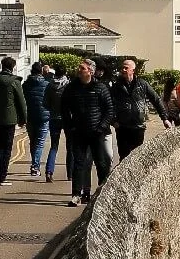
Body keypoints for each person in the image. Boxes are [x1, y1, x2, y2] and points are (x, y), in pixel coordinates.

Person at [56, 59, 116, 205]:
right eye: (79, 67)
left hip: (97, 132)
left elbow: (109, 110)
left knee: (101, 164)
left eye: (82, 68)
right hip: (78, 132)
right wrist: (69, 127)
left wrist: (101, 127)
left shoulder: (100, 88)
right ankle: (76, 194)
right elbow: (64, 109)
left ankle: (102, 193)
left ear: (90, 71)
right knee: (79, 164)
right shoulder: (71, 88)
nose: (79, 70)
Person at [109, 59, 167, 160]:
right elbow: (109, 104)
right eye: (122, 67)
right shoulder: (116, 86)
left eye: (126, 68)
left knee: (137, 157)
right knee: (124, 158)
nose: (123, 70)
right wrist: (113, 121)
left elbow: (156, 99)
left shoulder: (142, 84)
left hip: (138, 127)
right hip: (122, 127)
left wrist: (164, 118)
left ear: (133, 70)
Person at [0, 56, 28, 185]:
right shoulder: (15, 81)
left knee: (0, 146)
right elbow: (21, 102)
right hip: (10, 119)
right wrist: (23, 119)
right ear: (13, 67)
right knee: (7, 147)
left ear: (2, 66)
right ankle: (3, 176)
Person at [23, 61, 57, 179]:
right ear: (41, 71)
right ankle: (35, 166)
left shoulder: (25, 84)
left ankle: (34, 164)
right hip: (44, 116)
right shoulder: (47, 84)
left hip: (30, 116)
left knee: (33, 141)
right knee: (39, 142)